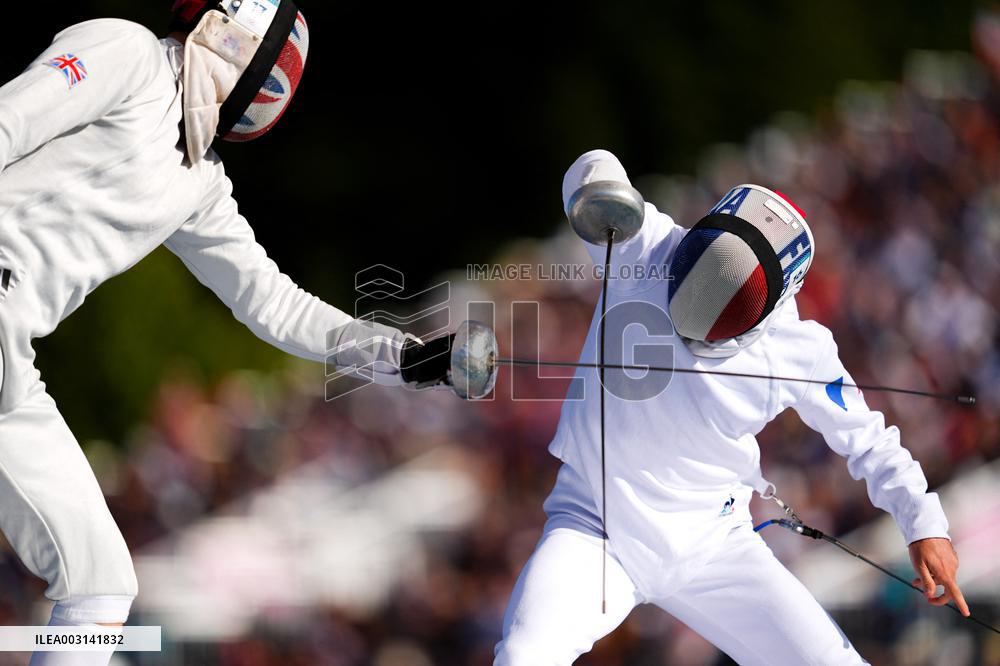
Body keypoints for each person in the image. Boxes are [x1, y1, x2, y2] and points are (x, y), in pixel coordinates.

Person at [0, 2, 452, 664]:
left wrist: (401, 356)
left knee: (99, 587)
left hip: (9, 363)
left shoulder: (199, 181)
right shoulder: (128, 53)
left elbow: (273, 304)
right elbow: (8, 121)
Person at [493, 150, 968, 665]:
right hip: (595, 529)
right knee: (523, 654)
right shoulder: (645, 246)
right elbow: (589, 168)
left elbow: (869, 441)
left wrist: (924, 523)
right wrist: (598, 180)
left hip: (713, 545)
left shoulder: (797, 348)